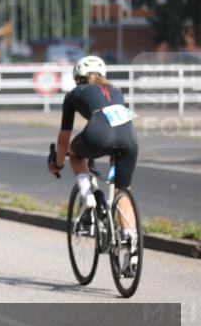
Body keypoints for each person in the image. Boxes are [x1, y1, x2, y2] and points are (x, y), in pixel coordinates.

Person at [49, 56, 140, 274]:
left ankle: (88, 197)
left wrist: (59, 163)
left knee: (75, 153)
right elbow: (116, 124)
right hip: (129, 139)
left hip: (98, 134)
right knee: (123, 190)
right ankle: (129, 241)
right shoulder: (116, 90)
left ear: (77, 77)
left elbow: (63, 138)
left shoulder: (73, 94)